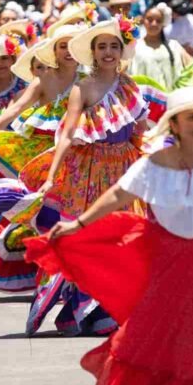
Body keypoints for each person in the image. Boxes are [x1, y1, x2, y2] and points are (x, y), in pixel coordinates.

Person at [24, 86, 193, 385]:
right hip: (172, 266)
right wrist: (79, 224)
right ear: (175, 125)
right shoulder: (154, 165)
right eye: (192, 117)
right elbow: (119, 194)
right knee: (166, 342)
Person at [24, 18, 147, 335]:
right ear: (93, 53)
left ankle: (111, 309)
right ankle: (82, 310)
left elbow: (139, 129)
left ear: (121, 51)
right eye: (101, 46)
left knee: (124, 238)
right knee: (91, 238)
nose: (108, 52)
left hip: (124, 167)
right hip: (88, 171)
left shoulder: (129, 85)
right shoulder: (83, 87)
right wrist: (52, 176)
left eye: (114, 46)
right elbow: (67, 134)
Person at [0, 24, 86, 178]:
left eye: (72, 45)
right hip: (40, 154)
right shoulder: (43, 80)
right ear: (54, 51)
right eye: (63, 46)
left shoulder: (87, 82)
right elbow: (16, 109)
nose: (69, 51)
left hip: (76, 153)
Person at [127, 4, 191, 90]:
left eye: (158, 21)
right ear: (143, 20)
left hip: (171, 95)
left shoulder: (174, 46)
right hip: (145, 96)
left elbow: (192, 65)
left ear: (163, 23)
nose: (154, 24)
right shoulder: (134, 47)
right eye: (150, 20)